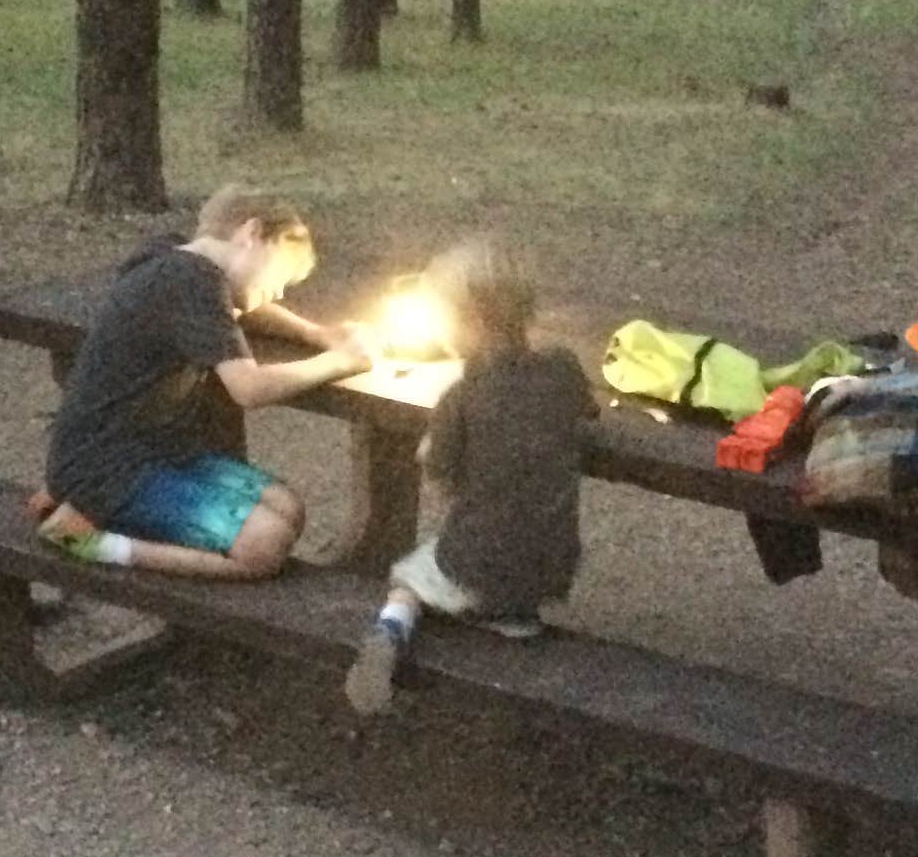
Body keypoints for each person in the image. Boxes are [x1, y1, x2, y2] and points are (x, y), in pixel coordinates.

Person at [34, 186, 371, 580]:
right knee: (264, 544)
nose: (279, 292)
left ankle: (89, 512)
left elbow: (243, 308)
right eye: (281, 275)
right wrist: (339, 361)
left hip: (159, 450)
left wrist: (317, 333)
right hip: (105, 468)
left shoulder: (177, 259)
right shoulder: (190, 280)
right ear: (252, 233)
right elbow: (249, 388)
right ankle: (86, 539)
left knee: (288, 508)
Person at [344, 243, 591, 715]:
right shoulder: (563, 369)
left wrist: (430, 450)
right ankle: (511, 618)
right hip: (555, 564)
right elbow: (585, 411)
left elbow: (440, 474)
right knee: (515, 539)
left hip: (477, 560)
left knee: (408, 575)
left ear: (471, 322)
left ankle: (391, 630)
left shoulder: (461, 395)